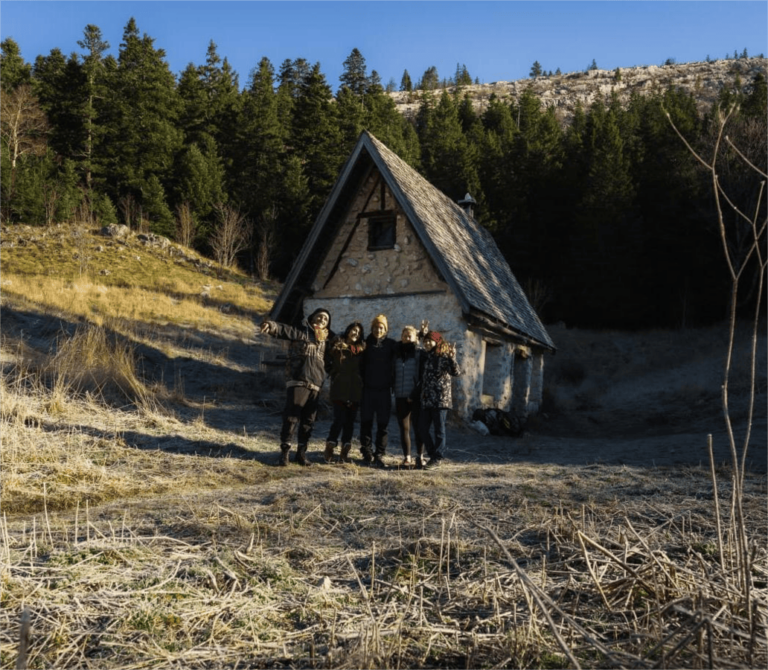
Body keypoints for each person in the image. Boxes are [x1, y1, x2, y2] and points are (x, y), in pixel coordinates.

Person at [259, 307, 334, 466]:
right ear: (312, 318)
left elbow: (333, 357)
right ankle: (284, 454)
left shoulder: (326, 341)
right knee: (291, 418)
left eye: (325, 319)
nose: (322, 320)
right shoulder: (301, 331)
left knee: (308, 421)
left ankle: (301, 454)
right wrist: (271, 326)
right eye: (319, 317)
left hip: (315, 384)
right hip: (298, 380)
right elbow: (283, 330)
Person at [419, 331, 461, 470]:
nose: (426, 343)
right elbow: (418, 346)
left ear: (437, 341)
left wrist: (452, 357)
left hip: (441, 400)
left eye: (429, 341)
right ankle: (433, 455)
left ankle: (437, 458)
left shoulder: (444, 356)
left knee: (439, 430)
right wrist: (422, 334)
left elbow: (455, 372)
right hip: (427, 399)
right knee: (422, 429)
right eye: (425, 341)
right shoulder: (427, 356)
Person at [324, 321, 365, 463]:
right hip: (339, 388)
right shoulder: (337, 345)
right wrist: (334, 373)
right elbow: (326, 359)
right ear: (348, 331)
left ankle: (344, 452)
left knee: (350, 422)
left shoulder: (361, 349)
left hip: (354, 389)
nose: (356, 334)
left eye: (359, 332)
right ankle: (330, 447)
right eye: (354, 330)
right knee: (339, 420)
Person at [359, 314, 396, 467]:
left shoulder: (391, 344)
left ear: (385, 329)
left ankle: (379, 454)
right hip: (367, 390)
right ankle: (366, 452)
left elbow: (409, 345)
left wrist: (424, 334)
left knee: (383, 425)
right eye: (375, 327)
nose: (378, 330)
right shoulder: (365, 343)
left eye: (381, 328)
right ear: (372, 328)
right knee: (366, 422)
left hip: (384, 391)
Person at [393, 325, 426, 468]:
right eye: (404, 335)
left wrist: (423, 335)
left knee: (418, 427)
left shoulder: (420, 353)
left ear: (415, 338)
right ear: (401, 337)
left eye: (410, 335)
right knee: (404, 428)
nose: (407, 338)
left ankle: (420, 456)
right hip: (400, 395)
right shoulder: (396, 353)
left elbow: (423, 377)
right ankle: (407, 457)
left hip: (416, 396)